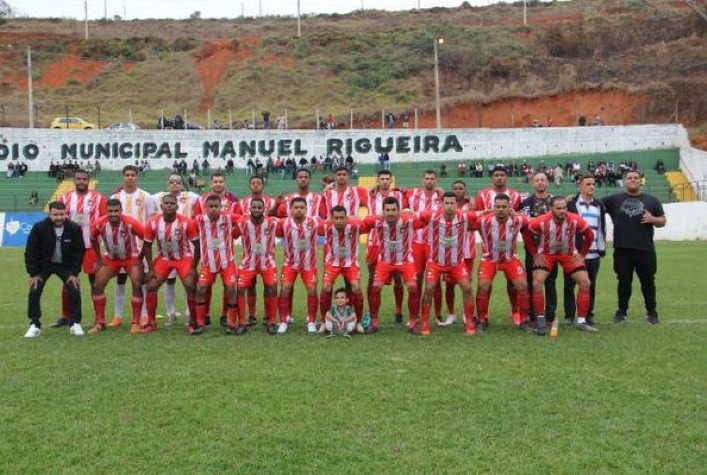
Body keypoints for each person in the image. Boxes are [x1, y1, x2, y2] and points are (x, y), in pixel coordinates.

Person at [523, 196, 597, 335]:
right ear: (551, 209)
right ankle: (540, 321)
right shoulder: (541, 221)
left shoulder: (575, 219)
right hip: (546, 254)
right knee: (537, 283)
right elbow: (527, 236)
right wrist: (534, 254)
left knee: (585, 282)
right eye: (558, 208)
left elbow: (590, 235)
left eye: (564, 207)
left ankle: (581, 322)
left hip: (568, 254)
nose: (562, 211)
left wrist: (582, 254)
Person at [602, 169, 666, 324]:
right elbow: (592, 204)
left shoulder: (652, 200)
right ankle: (621, 312)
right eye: (629, 178)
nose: (632, 180)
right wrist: (573, 199)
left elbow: (663, 221)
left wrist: (653, 219)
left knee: (648, 281)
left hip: (645, 249)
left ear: (640, 180)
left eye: (636, 177)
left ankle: (652, 313)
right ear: (624, 181)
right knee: (623, 281)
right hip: (622, 249)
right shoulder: (613, 200)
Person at [418, 192, 479, 336]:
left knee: (467, 287)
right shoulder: (431, 216)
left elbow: (483, 213)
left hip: (456, 262)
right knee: (429, 288)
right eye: (447, 203)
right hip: (435, 262)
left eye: (452, 203)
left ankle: (469, 322)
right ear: (441, 204)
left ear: (456, 205)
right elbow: (413, 215)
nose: (449, 206)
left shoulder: (464, 216)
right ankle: (425, 323)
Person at [363, 197, 425, 334]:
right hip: (384, 261)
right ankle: (373, 321)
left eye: (393, 210)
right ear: (383, 211)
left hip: (405, 261)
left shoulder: (408, 220)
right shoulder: (377, 221)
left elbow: (425, 219)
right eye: (387, 210)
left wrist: (407, 213)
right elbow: (364, 220)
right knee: (375, 287)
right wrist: (377, 215)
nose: (390, 213)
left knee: (413, 287)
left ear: (398, 211)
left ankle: (414, 321)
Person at [23, 201, 86, 338]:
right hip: (43, 266)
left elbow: (79, 251)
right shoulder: (39, 228)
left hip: (65, 266)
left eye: (61, 214)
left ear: (66, 213)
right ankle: (34, 324)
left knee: (74, 289)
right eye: (55, 214)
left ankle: (74, 323)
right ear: (49, 214)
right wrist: (33, 273)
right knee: (35, 290)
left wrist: (74, 273)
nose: (59, 217)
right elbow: (30, 251)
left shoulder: (74, 228)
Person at [54, 169, 107, 328]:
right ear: (74, 180)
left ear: (89, 180)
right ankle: (66, 316)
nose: (81, 181)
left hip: (91, 246)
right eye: (79, 179)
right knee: (68, 281)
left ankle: (99, 319)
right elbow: (57, 220)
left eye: (84, 179)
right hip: (70, 247)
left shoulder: (98, 198)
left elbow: (104, 222)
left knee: (95, 283)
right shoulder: (65, 197)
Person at [143, 194, 200, 334]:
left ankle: (193, 322)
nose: (169, 205)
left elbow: (198, 246)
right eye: (166, 203)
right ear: (161, 206)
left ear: (177, 206)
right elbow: (147, 246)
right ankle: (151, 323)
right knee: (151, 286)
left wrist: (193, 267)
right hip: (164, 258)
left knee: (190, 285)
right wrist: (150, 268)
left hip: (183, 257)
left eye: (172, 203)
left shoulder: (187, 222)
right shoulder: (152, 223)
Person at [473, 194, 531, 333]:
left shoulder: (518, 220)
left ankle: (524, 320)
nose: (500, 209)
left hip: (510, 259)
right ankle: (482, 319)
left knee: (522, 286)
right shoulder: (483, 221)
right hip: (489, 260)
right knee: (483, 286)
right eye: (498, 206)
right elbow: (464, 221)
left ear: (509, 207)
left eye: (504, 207)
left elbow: (534, 221)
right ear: (493, 207)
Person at [108, 165, 157, 330]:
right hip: (119, 246)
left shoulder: (147, 197)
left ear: (137, 177)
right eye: (127, 175)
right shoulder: (115, 196)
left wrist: (147, 244)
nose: (130, 177)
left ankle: (143, 315)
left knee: (140, 281)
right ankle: (118, 316)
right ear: (123, 177)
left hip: (139, 246)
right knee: (120, 279)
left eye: (133, 175)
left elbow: (150, 222)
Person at [88, 199, 146, 335]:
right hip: (111, 259)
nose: (113, 214)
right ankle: (100, 322)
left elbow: (147, 238)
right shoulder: (99, 223)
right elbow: (92, 239)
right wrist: (99, 258)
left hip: (130, 258)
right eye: (110, 211)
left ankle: (135, 323)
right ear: (106, 211)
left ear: (121, 211)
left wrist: (140, 256)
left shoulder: (130, 223)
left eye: (116, 211)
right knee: (97, 286)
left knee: (137, 285)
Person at [477, 165, 523, 324]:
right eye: (496, 175)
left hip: (509, 250)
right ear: (492, 177)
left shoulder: (515, 195)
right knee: (485, 284)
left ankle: (516, 312)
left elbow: (517, 217)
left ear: (506, 177)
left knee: (514, 283)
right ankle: (484, 314)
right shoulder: (483, 195)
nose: (499, 178)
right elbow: (478, 218)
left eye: (502, 175)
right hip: (490, 248)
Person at [153, 173, 200, 325]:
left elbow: (203, 202)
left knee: (189, 283)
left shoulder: (191, 196)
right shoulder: (158, 197)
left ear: (182, 184)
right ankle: (170, 313)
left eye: (177, 182)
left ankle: (188, 314)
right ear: (168, 184)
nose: (174, 185)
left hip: (186, 247)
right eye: (172, 182)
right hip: (166, 247)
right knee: (169, 281)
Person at [193, 170, 238, 326]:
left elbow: (241, 220)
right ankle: (204, 315)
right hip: (208, 253)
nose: (218, 184)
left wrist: (234, 233)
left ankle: (225, 315)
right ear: (211, 182)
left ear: (224, 182)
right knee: (206, 286)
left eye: (220, 181)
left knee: (229, 287)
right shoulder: (201, 200)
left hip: (226, 249)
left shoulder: (231, 200)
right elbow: (195, 223)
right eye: (215, 181)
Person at [318, 206, 369, 335]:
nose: (339, 221)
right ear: (331, 218)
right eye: (336, 218)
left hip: (350, 262)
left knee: (356, 288)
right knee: (326, 287)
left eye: (342, 218)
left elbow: (371, 222)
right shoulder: (325, 226)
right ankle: (324, 322)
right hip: (332, 262)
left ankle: (357, 322)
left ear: (347, 218)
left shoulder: (356, 225)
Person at [565, 174, 607, 326]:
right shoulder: (571, 204)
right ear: (580, 186)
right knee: (569, 285)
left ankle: (589, 314)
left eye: (593, 184)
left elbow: (602, 228)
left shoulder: (599, 205)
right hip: (574, 254)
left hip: (594, 252)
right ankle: (569, 315)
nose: (591, 187)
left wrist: (602, 247)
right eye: (588, 184)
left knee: (591, 284)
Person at [234, 175, 276, 326]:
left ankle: (269, 319)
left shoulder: (272, 221)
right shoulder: (242, 220)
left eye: (259, 183)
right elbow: (232, 231)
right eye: (253, 183)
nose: (256, 185)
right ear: (249, 208)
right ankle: (249, 317)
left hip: (267, 260)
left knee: (270, 287)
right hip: (248, 261)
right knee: (246, 287)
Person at [367, 170, 407, 325]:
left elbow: (406, 211)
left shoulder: (399, 195)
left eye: (387, 179)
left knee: (398, 277)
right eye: (381, 179)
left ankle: (398, 311)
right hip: (374, 241)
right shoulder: (369, 194)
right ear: (377, 180)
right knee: (372, 278)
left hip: (394, 240)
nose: (384, 181)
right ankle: (372, 312)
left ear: (391, 180)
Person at [275, 197, 319, 334]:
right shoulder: (284, 223)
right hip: (290, 264)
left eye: (302, 207)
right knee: (285, 288)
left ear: (306, 209)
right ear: (291, 209)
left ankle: (311, 321)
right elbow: (273, 231)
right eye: (296, 207)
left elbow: (331, 224)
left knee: (312, 289)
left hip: (308, 264)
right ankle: (283, 321)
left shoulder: (314, 222)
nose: (299, 210)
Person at [404, 170, 443, 324]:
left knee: (436, 280)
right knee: (416, 280)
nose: (429, 181)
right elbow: (393, 191)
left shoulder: (442, 197)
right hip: (416, 244)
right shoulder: (412, 193)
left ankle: (438, 314)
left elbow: (458, 200)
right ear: (422, 180)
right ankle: (414, 315)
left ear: (436, 181)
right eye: (427, 178)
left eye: (432, 179)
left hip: (435, 244)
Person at [520, 171, 557, 329]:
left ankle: (550, 315)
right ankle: (533, 315)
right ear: (533, 183)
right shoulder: (526, 203)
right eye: (537, 180)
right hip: (532, 250)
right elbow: (523, 226)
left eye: (543, 180)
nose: (540, 182)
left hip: (552, 251)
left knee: (550, 282)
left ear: (547, 182)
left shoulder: (555, 202)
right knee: (531, 282)